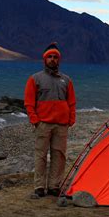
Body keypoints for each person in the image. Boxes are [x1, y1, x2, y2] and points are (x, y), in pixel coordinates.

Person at [24, 42, 76, 198]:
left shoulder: (66, 80)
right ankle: (39, 186)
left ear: (59, 60)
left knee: (59, 155)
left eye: (55, 57)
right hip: (43, 124)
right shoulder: (35, 79)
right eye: (50, 57)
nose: (53, 59)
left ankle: (54, 186)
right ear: (45, 59)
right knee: (40, 155)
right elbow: (28, 102)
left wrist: (71, 119)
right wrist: (35, 120)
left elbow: (72, 102)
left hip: (61, 125)